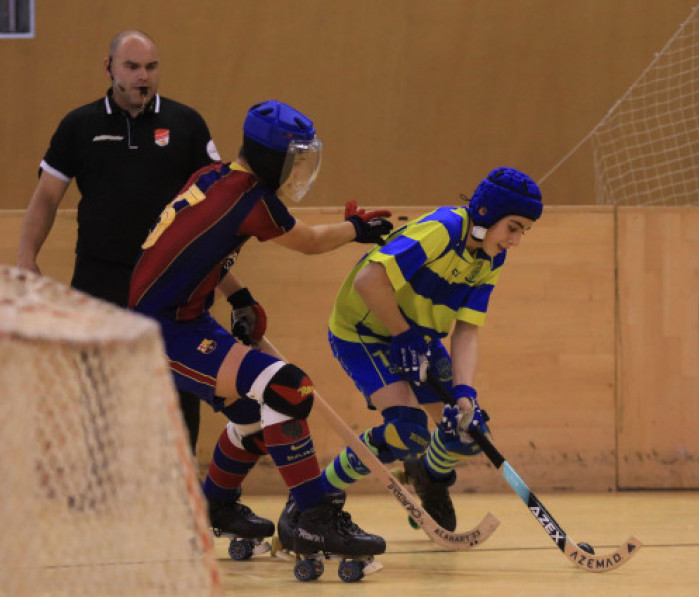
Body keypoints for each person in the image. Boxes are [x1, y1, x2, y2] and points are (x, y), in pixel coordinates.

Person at [129, 100, 392, 561]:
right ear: (272, 158)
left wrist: (240, 297)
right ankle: (312, 521)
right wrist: (357, 229)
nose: (298, 172)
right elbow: (309, 242)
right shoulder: (251, 200)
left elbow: (203, 251)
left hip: (183, 318)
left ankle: (214, 506)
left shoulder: (212, 177)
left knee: (252, 418)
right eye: (295, 161)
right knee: (290, 389)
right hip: (164, 332)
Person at [17, 30, 217, 450]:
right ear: (109, 69)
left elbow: (217, 205)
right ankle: (98, 486)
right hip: (99, 278)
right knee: (96, 387)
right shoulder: (79, 125)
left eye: (150, 67)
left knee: (177, 384)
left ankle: (177, 490)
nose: (143, 76)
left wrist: (223, 275)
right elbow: (47, 197)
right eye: (132, 66)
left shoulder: (186, 124)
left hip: (171, 282)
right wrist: (26, 258)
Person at [314, 166, 543, 532]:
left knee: (467, 433)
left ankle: (428, 477)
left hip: (417, 337)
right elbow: (369, 281)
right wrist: (401, 333)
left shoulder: (491, 257)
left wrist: (466, 394)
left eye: (523, 232)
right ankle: (312, 499)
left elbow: (467, 329)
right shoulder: (443, 230)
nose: (515, 240)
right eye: (513, 227)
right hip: (363, 331)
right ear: (486, 213)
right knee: (408, 432)